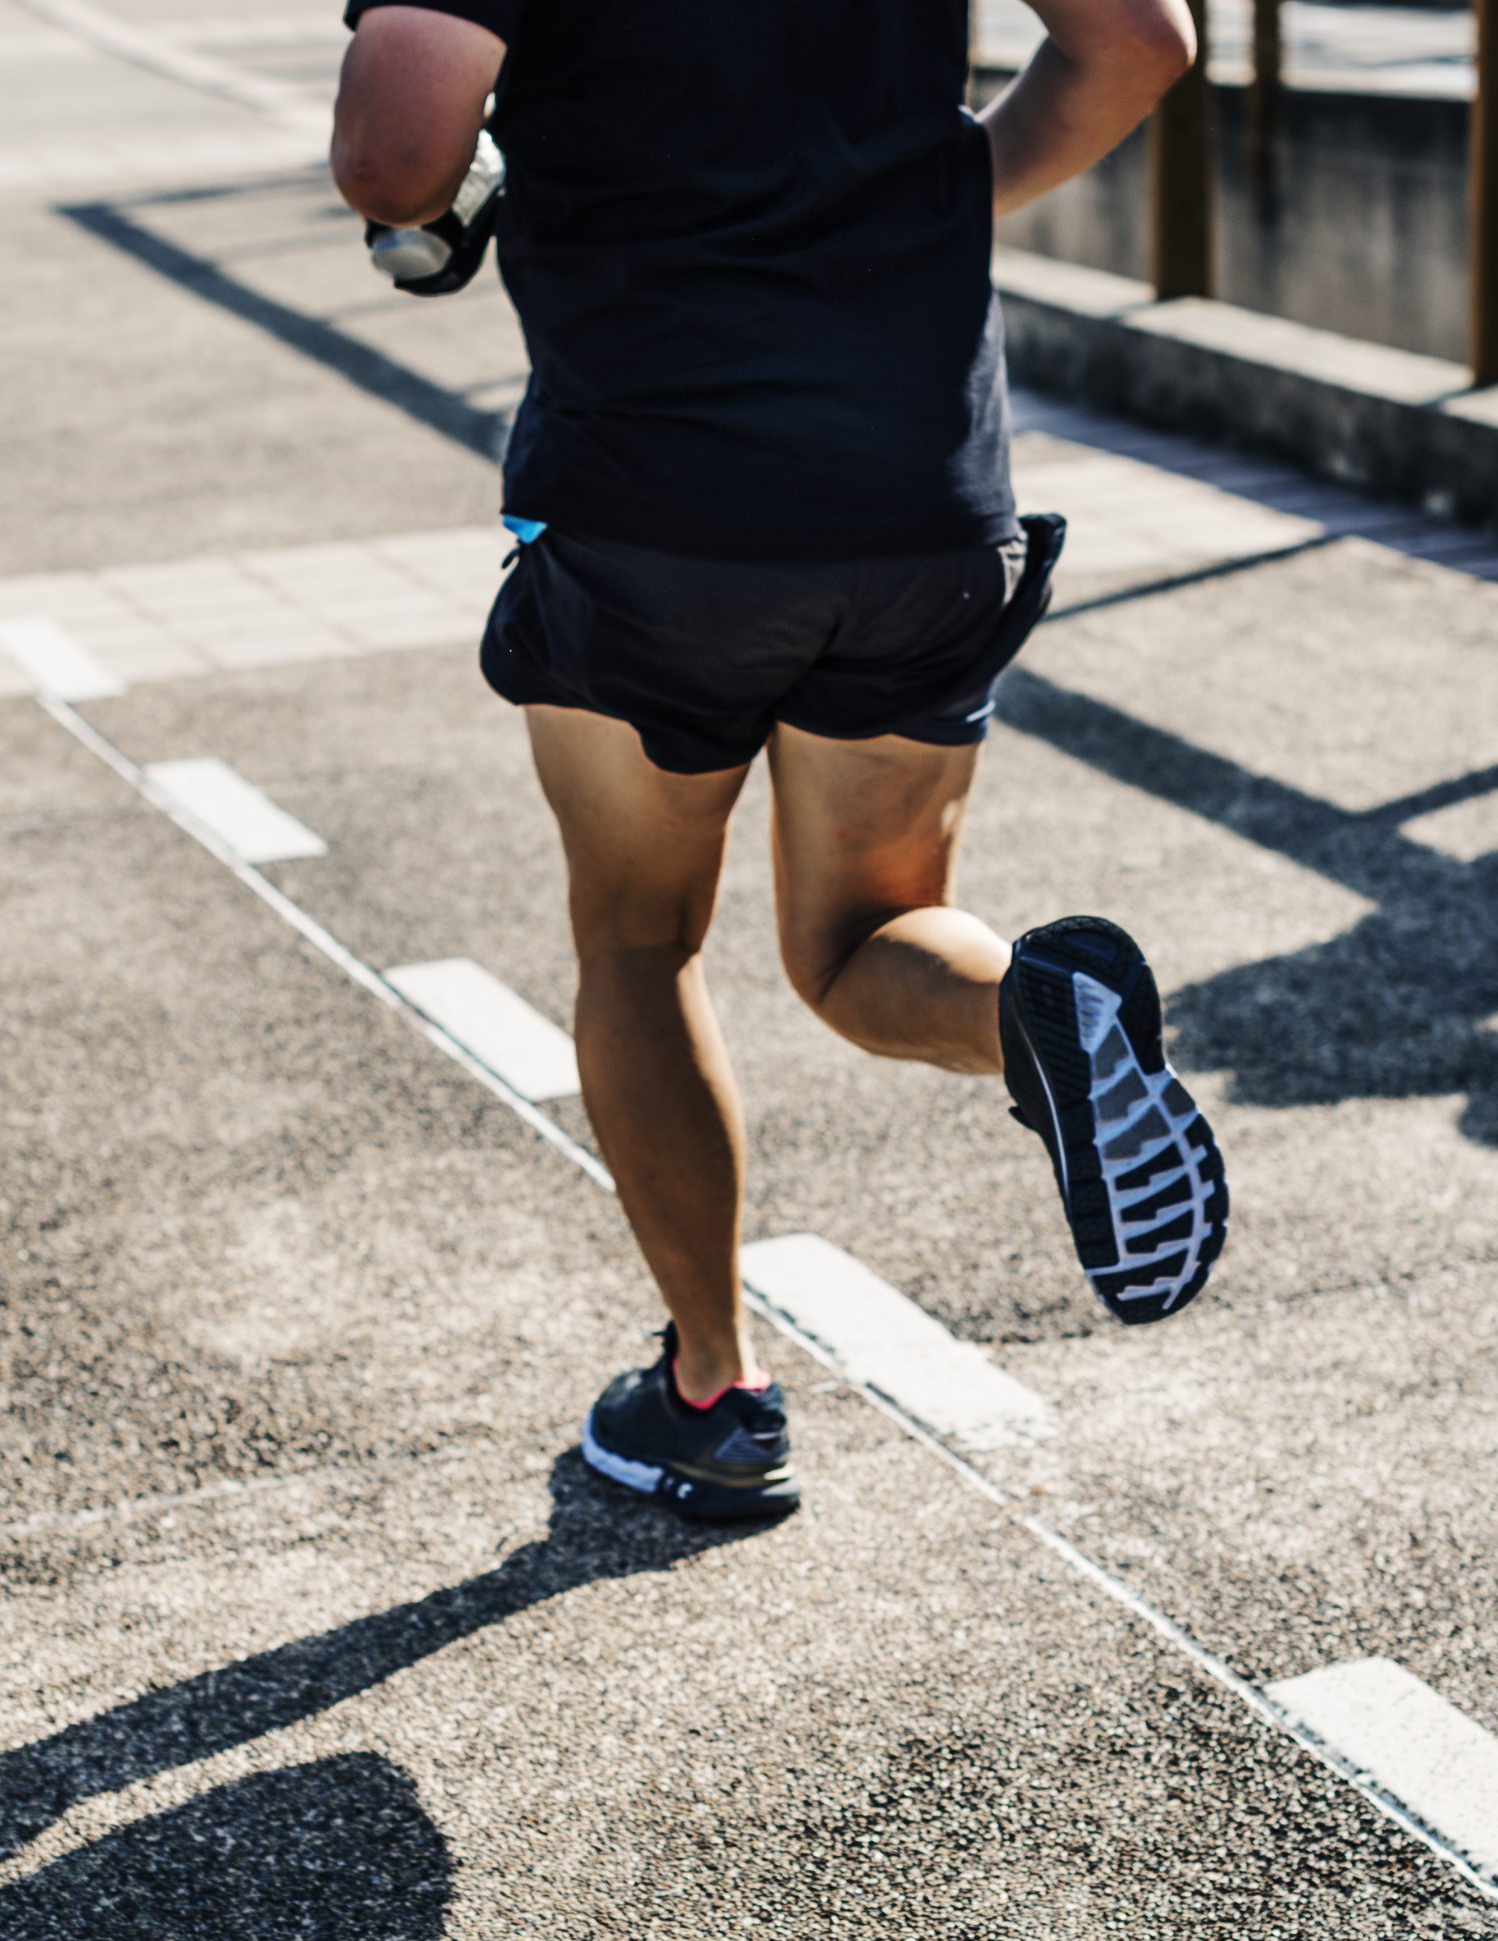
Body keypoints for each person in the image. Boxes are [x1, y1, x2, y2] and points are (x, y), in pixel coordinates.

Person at [331, 0, 1228, 1519]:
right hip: (922, 497)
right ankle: (1035, 1018)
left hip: (655, 502)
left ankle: (714, 1397)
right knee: (867, 934)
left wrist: (461, 186)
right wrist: (929, 197)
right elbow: (1142, 38)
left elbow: (392, 150)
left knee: (640, 941)